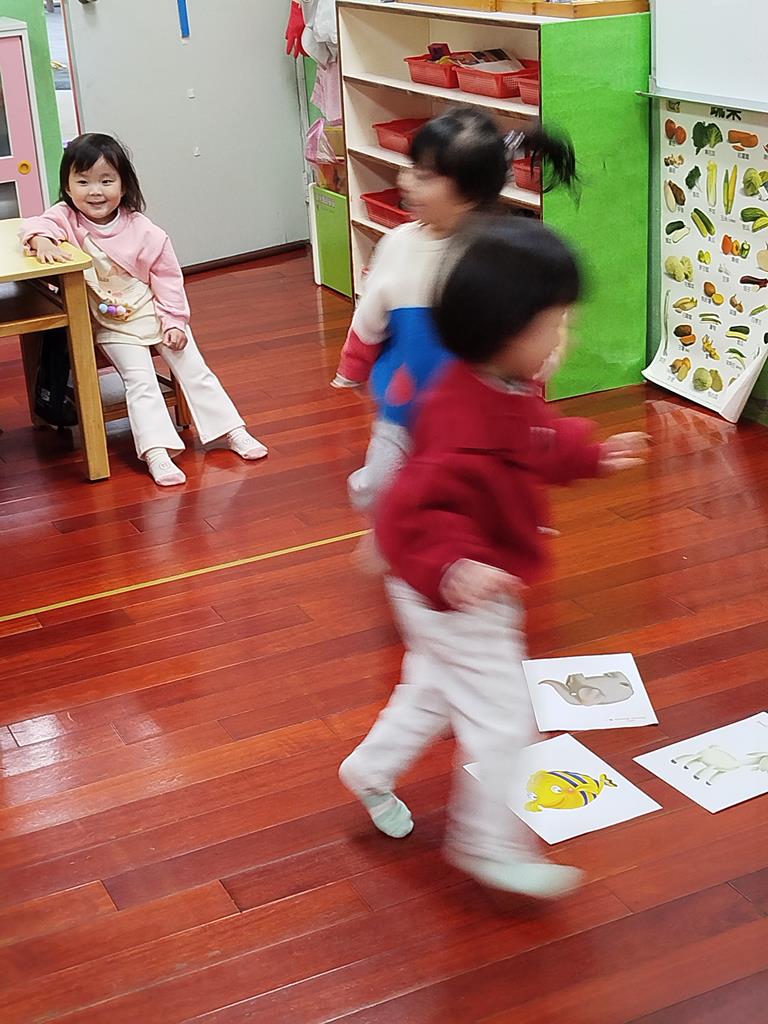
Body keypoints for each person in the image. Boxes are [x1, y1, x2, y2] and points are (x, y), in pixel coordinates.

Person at [338, 217, 649, 897]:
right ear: (510, 332)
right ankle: (487, 843)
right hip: (454, 588)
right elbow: (409, 508)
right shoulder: (462, 418)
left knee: (435, 687)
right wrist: (455, 566)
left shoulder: (496, 385)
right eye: (555, 324)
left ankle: (370, 769)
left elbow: (538, 439)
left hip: (441, 587)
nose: (564, 337)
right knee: (504, 715)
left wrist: (592, 454)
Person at [332, 107, 577, 512]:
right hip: (408, 409)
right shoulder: (398, 245)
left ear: (469, 190)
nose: (404, 180)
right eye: (411, 168)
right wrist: (353, 370)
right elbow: (368, 320)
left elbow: (544, 326)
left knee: (482, 499)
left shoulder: (505, 254)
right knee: (381, 489)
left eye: (424, 175)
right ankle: (392, 529)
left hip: (485, 418)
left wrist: (536, 372)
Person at [21, 134, 267, 486]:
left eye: (106, 181)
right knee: (141, 379)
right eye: (83, 182)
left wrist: (174, 322)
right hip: (111, 323)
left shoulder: (144, 231)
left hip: (154, 311)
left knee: (194, 369)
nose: (95, 192)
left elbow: (168, 281)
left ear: (123, 186)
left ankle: (232, 430)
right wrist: (42, 240)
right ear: (67, 186)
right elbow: (35, 224)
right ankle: (156, 451)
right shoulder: (66, 218)